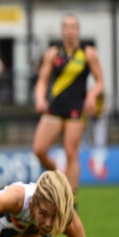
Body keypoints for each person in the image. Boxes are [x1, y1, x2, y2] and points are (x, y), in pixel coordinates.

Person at [32, 14, 104, 207]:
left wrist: (91, 97)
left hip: (76, 108)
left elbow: (100, 82)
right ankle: (61, 176)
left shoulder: (88, 53)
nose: (70, 30)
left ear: (78, 30)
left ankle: (72, 197)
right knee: (39, 149)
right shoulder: (53, 53)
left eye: (73, 26)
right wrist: (40, 98)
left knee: (71, 151)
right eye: (66, 26)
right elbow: (42, 80)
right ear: (62, 30)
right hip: (55, 107)